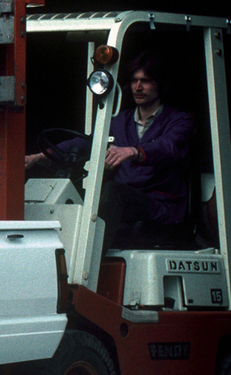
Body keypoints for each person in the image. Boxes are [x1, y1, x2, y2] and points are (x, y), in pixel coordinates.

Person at [26, 53, 194, 248]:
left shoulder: (180, 121)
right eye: (134, 81)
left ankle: (89, 255)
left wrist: (134, 151)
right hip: (127, 200)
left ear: (160, 85)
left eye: (146, 81)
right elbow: (88, 143)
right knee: (81, 192)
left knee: (112, 191)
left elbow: (168, 147)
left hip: (158, 202)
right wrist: (40, 157)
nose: (138, 87)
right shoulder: (120, 120)